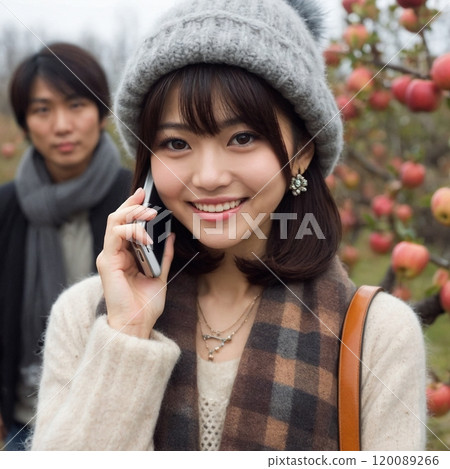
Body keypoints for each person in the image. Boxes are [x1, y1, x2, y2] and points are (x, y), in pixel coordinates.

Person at [30, 0, 426, 451]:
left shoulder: (377, 335)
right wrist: (127, 333)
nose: (207, 177)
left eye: (242, 138)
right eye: (176, 143)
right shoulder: (87, 316)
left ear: (302, 151)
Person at [0, 42, 132, 450]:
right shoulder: (6, 206)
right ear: (25, 122)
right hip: (26, 423)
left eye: (76, 105)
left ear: (101, 112)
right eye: (42, 110)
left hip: (117, 421)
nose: (61, 125)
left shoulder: (138, 199)